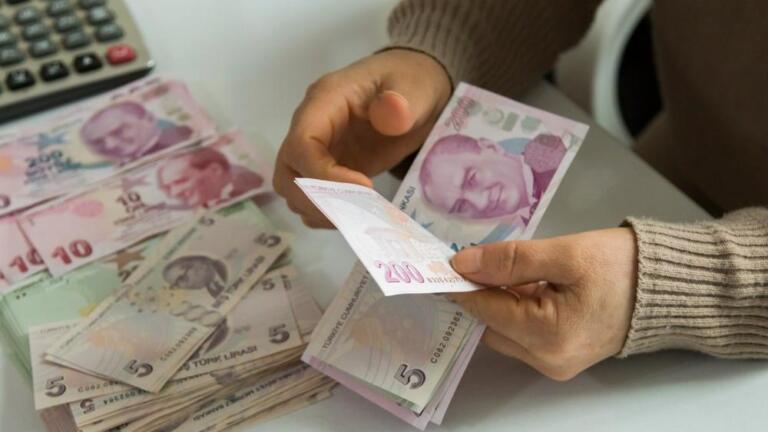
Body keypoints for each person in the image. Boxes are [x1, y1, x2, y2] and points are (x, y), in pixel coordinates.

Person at [273, 0, 768, 380]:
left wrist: (673, 285)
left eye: (469, 182)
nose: (477, 200)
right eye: (462, 200)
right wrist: (437, 51)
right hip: (678, 159)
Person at [80, 101, 193, 164]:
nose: (110, 145)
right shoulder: (122, 167)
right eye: (98, 141)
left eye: (118, 131)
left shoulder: (189, 138)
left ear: (149, 119)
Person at [156, 147, 264, 208]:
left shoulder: (248, 186)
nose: (174, 192)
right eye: (169, 187)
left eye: (180, 181)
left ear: (215, 170)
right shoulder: (212, 201)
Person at [163, 255, 228, 299]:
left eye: (182, 278)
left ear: (199, 264)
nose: (183, 286)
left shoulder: (226, 265)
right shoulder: (213, 292)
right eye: (176, 285)